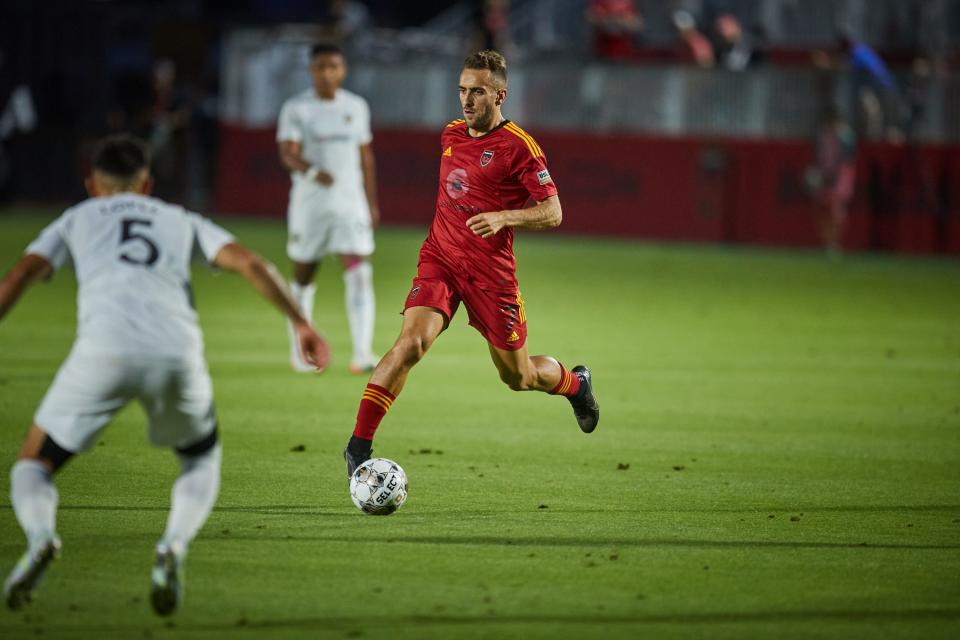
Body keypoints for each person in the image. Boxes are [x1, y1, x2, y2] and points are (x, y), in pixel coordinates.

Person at [0, 134, 329, 615]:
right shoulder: (178, 219)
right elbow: (251, 263)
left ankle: (41, 538)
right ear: (147, 184)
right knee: (199, 460)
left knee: (34, 462)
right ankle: (172, 546)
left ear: (92, 184)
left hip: (102, 353)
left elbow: (19, 276)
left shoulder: (76, 217)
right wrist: (300, 321)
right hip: (177, 354)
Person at [342, 50, 599, 477]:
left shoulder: (520, 147)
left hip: (490, 274)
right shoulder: (451, 134)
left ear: (500, 94)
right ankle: (358, 448)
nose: (466, 100)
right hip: (440, 259)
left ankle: (576, 385)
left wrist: (504, 216)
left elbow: (554, 211)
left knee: (517, 377)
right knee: (410, 344)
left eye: (477, 92)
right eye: (462, 90)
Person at [277, 42, 380, 374]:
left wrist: (371, 202)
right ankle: (299, 352)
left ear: (343, 70)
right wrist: (309, 170)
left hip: (350, 206)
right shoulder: (297, 109)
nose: (326, 73)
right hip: (311, 206)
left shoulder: (356, 106)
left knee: (360, 272)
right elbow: (287, 153)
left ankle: (362, 353)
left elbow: (366, 158)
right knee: (304, 276)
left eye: (332, 67)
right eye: (320, 67)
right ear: (311, 71)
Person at [810, 108, 857, 256]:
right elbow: (818, 154)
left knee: (836, 210)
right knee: (823, 210)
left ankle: (835, 243)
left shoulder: (846, 135)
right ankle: (828, 243)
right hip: (824, 175)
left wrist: (835, 174)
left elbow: (848, 158)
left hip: (840, 176)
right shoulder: (823, 133)